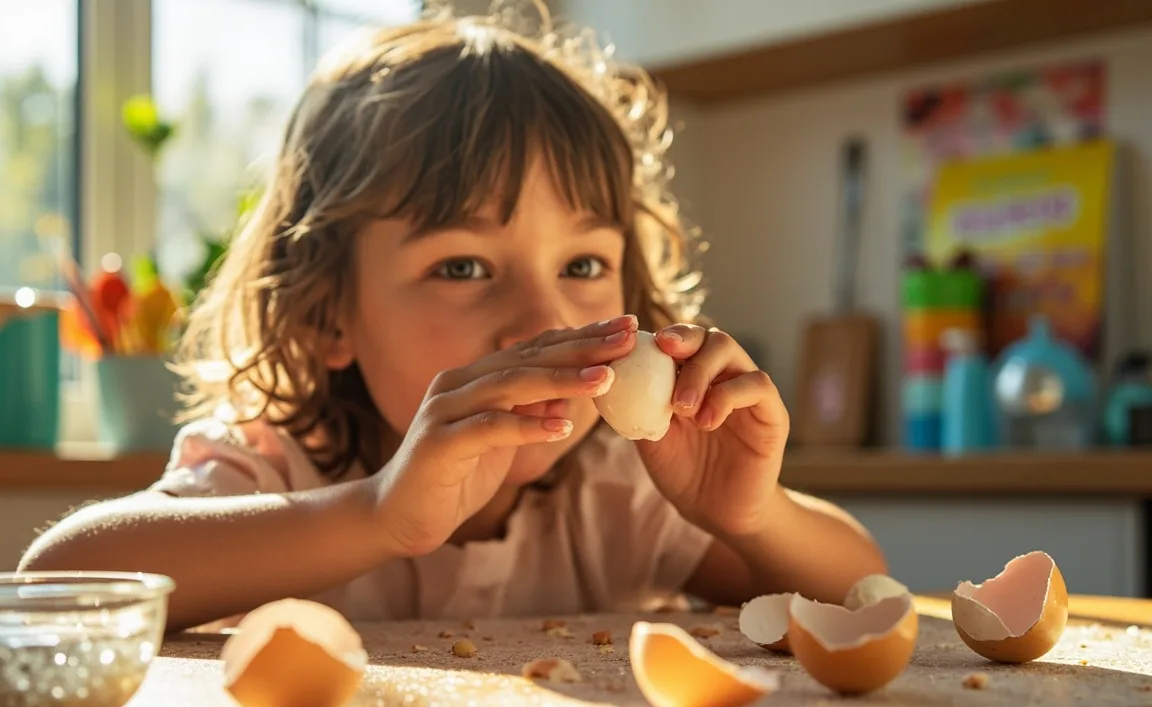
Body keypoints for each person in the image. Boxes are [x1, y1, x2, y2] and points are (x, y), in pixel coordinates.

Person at [19, 0, 887, 631]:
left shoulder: (615, 494)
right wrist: (378, 514)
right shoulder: (282, 467)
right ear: (329, 316)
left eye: (583, 264)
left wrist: (752, 514)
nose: (543, 318)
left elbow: (863, 599)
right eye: (463, 265)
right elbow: (59, 581)